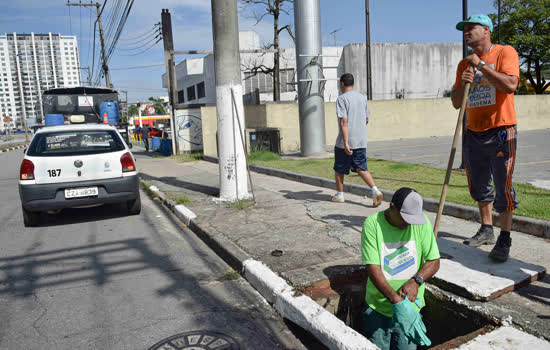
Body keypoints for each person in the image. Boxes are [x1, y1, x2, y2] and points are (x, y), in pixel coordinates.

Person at [451, 15, 520, 262]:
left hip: (501, 130)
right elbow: (457, 102)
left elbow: (510, 85)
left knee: (503, 186)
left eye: (471, 28)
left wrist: (480, 66)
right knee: (480, 185)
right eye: (464, 29)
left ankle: (505, 237)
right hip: (473, 131)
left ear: (486, 30)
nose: (466, 32)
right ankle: (487, 229)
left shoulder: (505, 52)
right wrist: (462, 84)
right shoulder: (463, 64)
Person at [361, 187, 440, 350]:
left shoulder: (421, 222)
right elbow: (373, 268)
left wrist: (416, 281)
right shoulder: (373, 224)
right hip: (378, 308)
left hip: (410, 311)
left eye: (412, 219)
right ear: (392, 207)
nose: (408, 224)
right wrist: (395, 300)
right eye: (405, 218)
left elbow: (434, 261)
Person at [331, 73, 383, 207]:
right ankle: (375, 190)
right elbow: (366, 119)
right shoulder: (362, 98)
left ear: (342, 84)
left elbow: (344, 121)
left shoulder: (341, 99)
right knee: (361, 168)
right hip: (360, 141)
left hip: (345, 143)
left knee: (339, 169)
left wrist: (346, 142)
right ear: (352, 84)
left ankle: (340, 195)